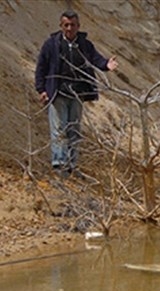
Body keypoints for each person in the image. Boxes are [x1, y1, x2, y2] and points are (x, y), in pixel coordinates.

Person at [35, 10, 118, 178]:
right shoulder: (51, 44)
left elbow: (96, 59)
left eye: (73, 25)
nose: (69, 28)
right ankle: (59, 164)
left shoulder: (85, 45)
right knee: (59, 128)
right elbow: (41, 67)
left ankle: (72, 165)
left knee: (74, 129)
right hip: (57, 92)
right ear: (61, 26)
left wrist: (106, 65)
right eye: (66, 25)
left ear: (78, 26)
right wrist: (41, 89)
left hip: (77, 94)